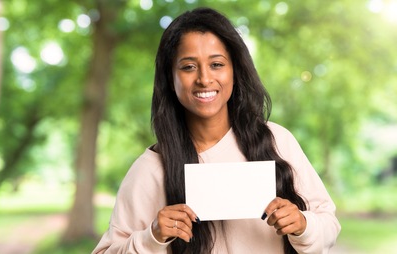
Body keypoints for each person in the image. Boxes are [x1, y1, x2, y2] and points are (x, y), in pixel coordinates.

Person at [93, 7, 340, 254]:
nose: (204, 78)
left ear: (234, 70)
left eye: (216, 64)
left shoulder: (277, 141)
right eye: (189, 67)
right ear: (171, 78)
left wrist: (303, 225)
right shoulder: (152, 168)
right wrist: (152, 237)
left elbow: (329, 224)